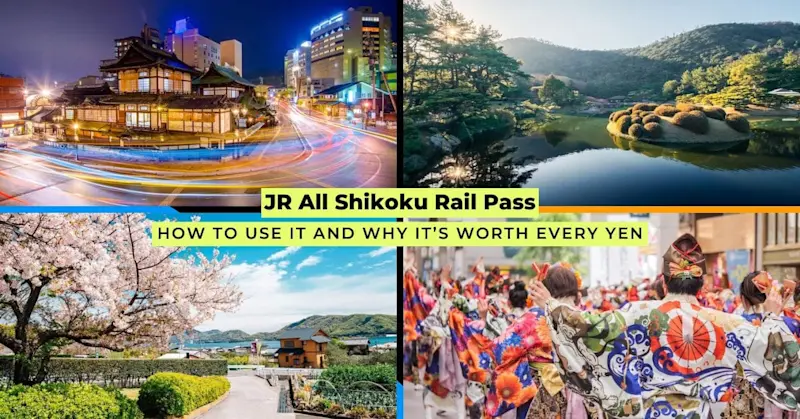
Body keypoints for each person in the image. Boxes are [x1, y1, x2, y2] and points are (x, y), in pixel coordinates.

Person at [530, 233, 800, 419]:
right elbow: (770, 348)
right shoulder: (724, 322)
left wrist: (551, 304)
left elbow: (585, 326)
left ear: (664, 279)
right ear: (702, 282)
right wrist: (773, 315)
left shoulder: (636, 313)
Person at [478, 267, 598, 419]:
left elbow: (500, 350)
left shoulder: (534, 318)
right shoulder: (583, 318)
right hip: (579, 391)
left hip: (541, 393)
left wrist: (484, 324)